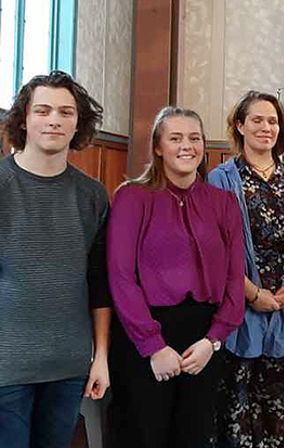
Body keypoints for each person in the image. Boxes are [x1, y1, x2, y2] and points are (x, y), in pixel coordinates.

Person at [106, 106, 245, 448]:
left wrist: (213, 339)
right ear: (158, 147)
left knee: (194, 435)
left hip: (203, 339)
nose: (187, 146)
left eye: (194, 138)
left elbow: (234, 276)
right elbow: (121, 276)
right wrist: (153, 346)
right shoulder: (132, 197)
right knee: (142, 433)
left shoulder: (223, 202)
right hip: (144, 336)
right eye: (176, 138)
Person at [0, 70, 111, 448]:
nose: (54, 120)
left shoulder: (92, 195)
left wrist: (101, 357)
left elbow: (98, 284)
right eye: (43, 110)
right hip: (6, 366)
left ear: (78, 123)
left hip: (68, 364)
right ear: (24, 119)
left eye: (66, 112)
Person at [208, 91, 284, 448]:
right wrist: (251, 293)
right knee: (235, 410)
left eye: (272, 121)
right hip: (239, 304)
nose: (265, 127)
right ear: (240, 125)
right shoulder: (220, 180)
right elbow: (214, 248)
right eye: (256, 120)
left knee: (276, 410)